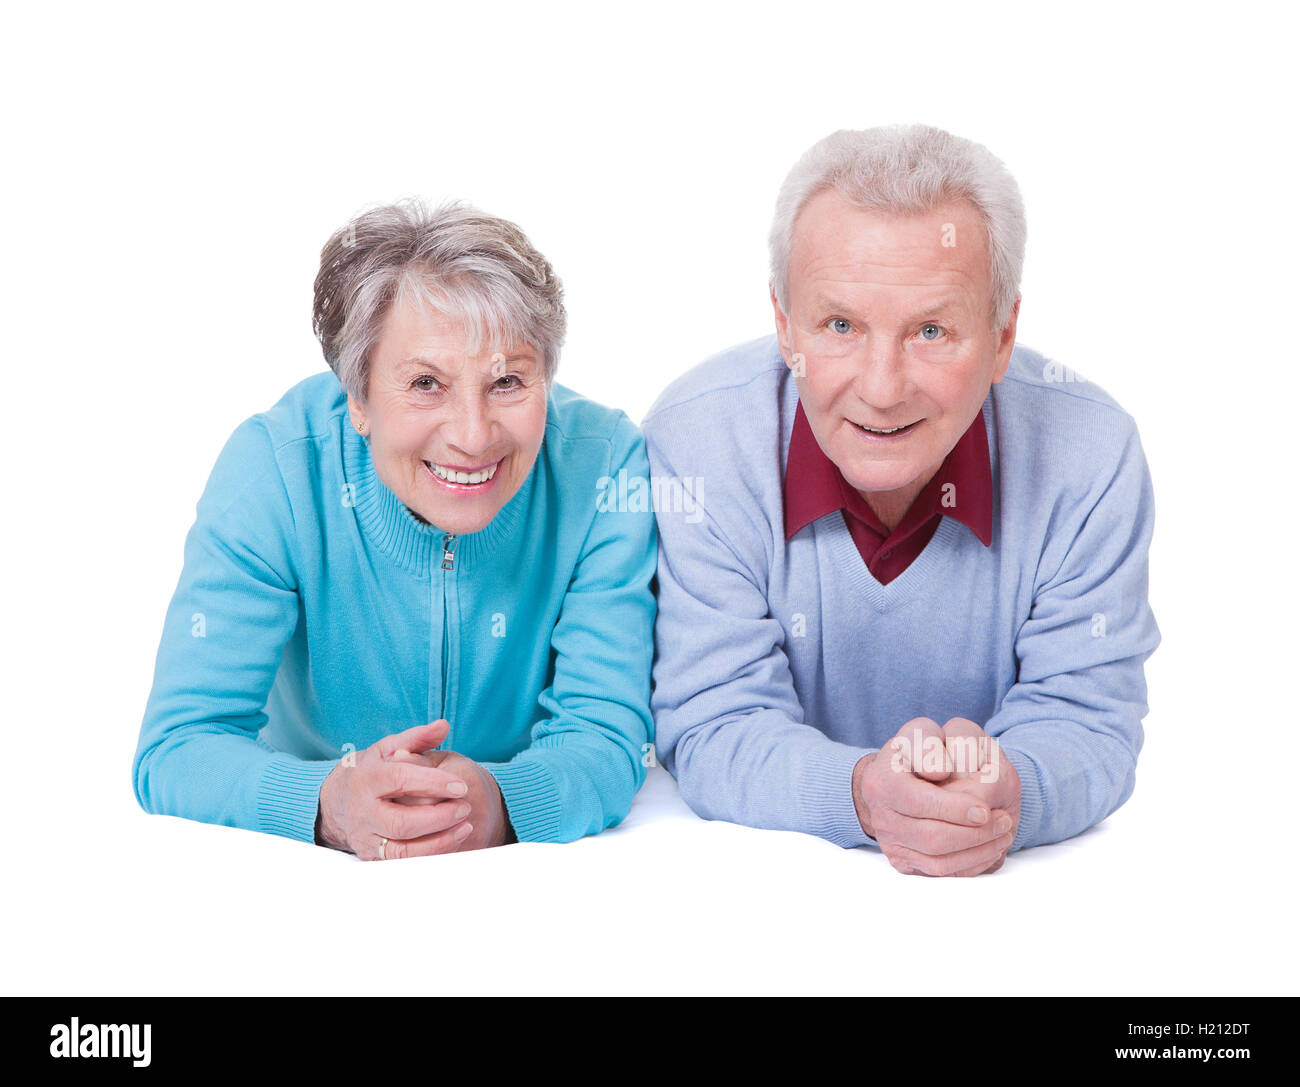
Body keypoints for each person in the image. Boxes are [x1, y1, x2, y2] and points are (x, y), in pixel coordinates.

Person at [643, 124, 1160, 876]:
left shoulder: (1091, 455)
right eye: (841, 325)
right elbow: (715, 720)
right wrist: (863, 796)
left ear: (1003, 332)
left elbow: (1089, 719)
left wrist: (1009, 790)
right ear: (785, 325)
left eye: (931, 329)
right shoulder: (697, 445)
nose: (883, 389)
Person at [133, 199, 657, 860]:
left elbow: (605, 735)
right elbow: (179, 743)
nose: (472, 435)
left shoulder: (604, 463)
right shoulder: (273, 470)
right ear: (357, 396)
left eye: (508, 381)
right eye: (426, 383)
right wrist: (328, 801)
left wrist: (499, 802)